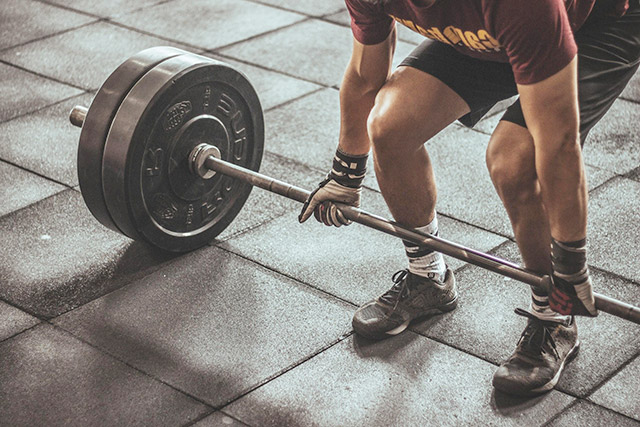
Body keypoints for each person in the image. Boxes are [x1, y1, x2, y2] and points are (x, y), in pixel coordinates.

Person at [298, 0, 640, 396]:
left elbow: (558, 144)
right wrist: (346, 175)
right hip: (490, 31)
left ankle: (554, 318)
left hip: (596, 25)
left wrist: (570, 264)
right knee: (390, 125)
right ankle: (429, 278)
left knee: (515, 159)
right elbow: (364, 75)